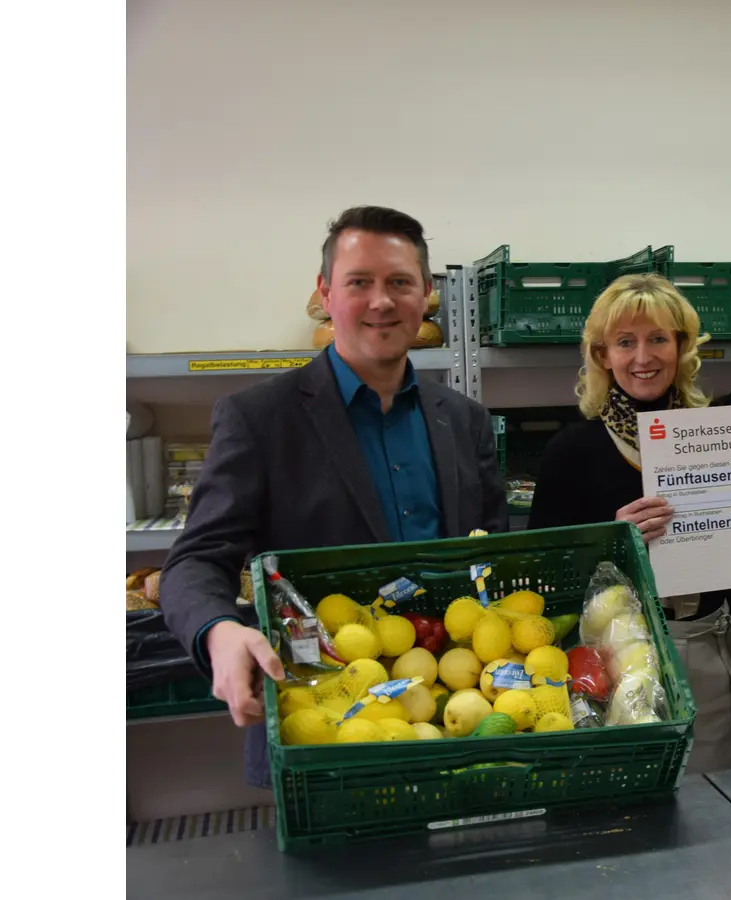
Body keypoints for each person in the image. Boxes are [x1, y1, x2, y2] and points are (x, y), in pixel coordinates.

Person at [160, 206, 509, 787]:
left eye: (400, 282)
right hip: (320, 717)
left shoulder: (465, 421)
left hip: (450, 712)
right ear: (325, 293)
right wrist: (218, 630)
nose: (381, 301)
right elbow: (195, 559)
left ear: (426, 294)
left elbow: (494, 551)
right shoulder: (260, 418)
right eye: (359, 282)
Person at [525, 273, 731, 773]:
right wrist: (613, 537)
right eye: (626, 342)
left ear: (682, 347)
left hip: (702, 641)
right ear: (603, 355)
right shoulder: (570, 451)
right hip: (608, 659)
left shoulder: (720, 437)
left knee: (714, 798)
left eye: (658, 339)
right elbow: (543, 577)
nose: (643, 357)